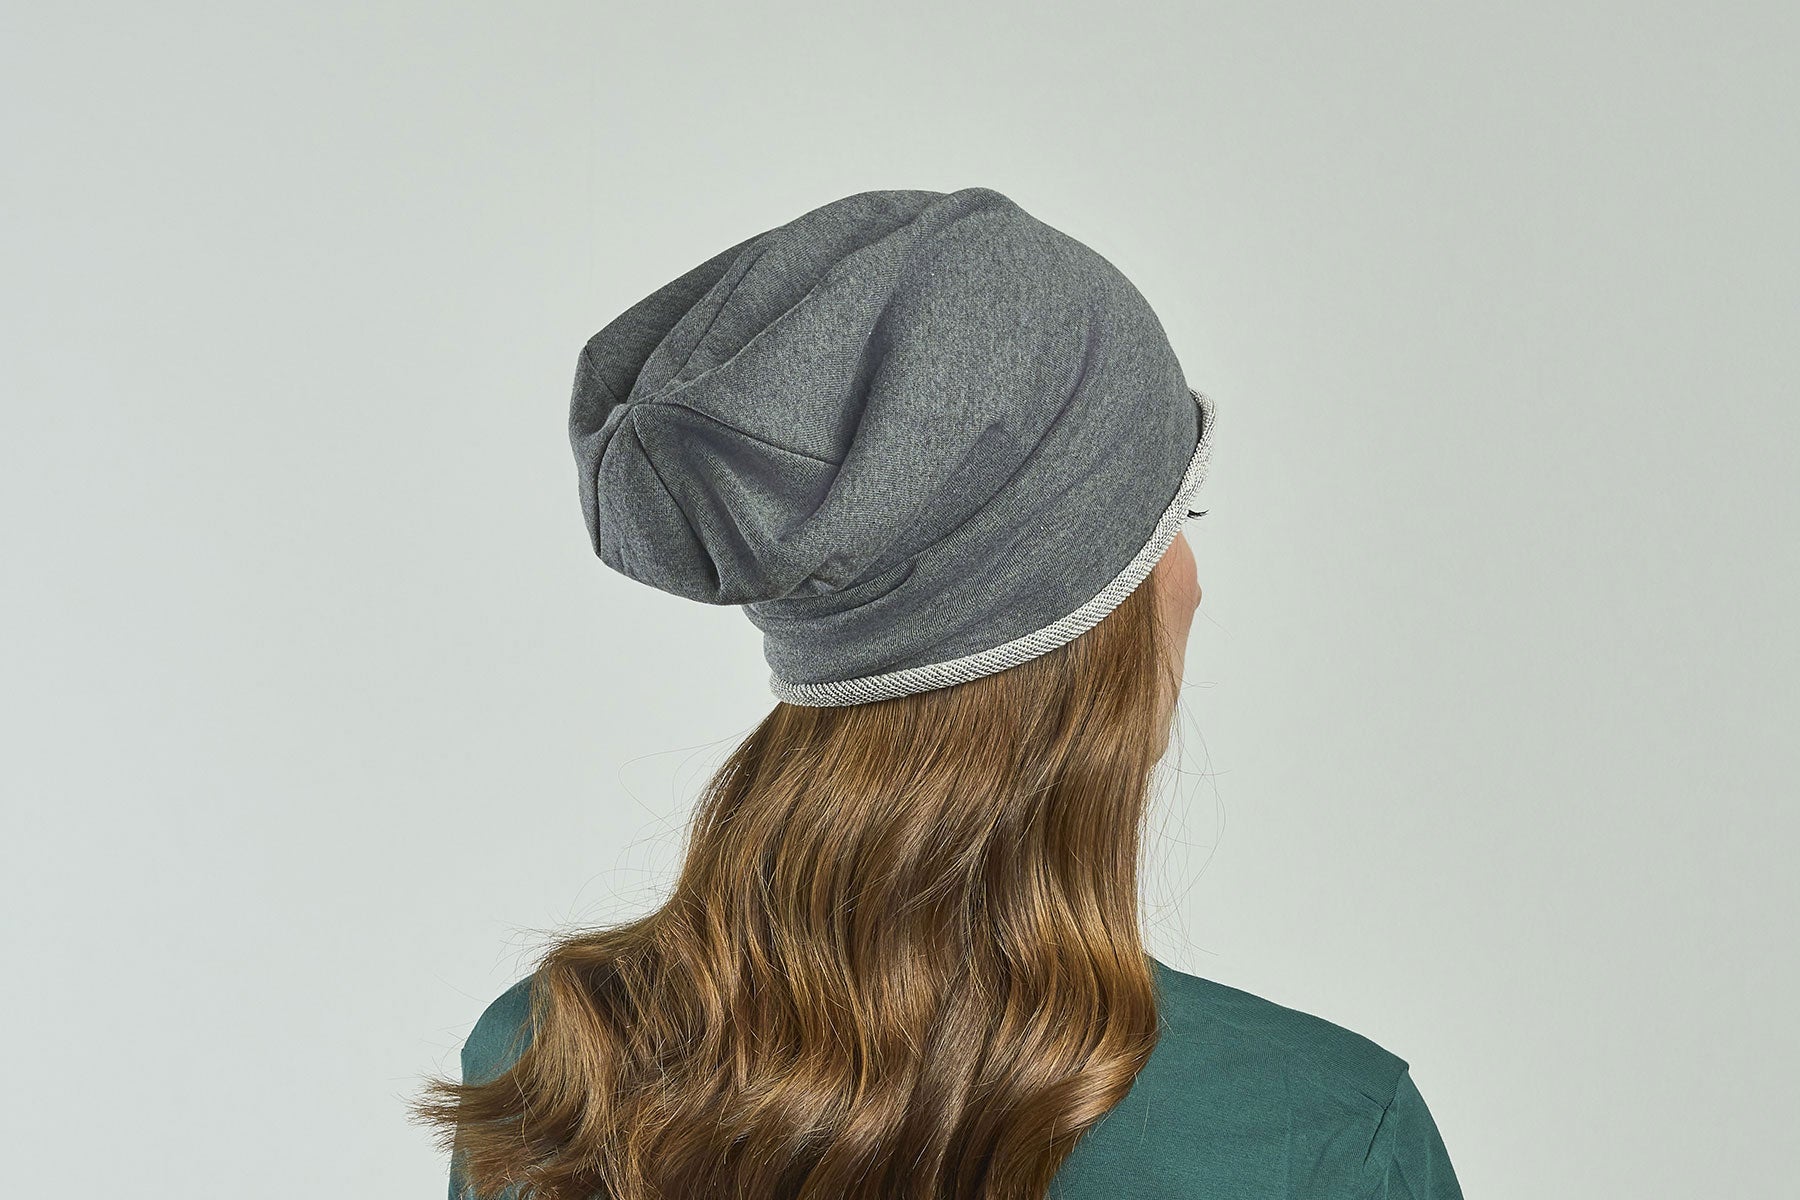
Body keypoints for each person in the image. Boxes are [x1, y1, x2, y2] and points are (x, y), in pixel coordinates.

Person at [410, 187, 1464, 1200]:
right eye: (1177, 518)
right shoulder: (1317, 1138)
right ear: (1086, 616)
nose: (1191, 581)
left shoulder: (551, 1069)